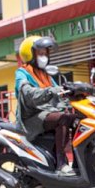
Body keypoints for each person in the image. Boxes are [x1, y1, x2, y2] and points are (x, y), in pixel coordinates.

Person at [15, 35, 79, 175]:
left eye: (45, 53)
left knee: (77, 119)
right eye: (40, 53)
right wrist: (50, 91)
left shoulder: (46, 75)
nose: (44, 57)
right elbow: (28, 93)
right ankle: (61, 164)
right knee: (62, 118)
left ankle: (78, 162)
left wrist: (74, 92)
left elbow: (60, 92)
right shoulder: (22, 73)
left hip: (46, 114)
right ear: (30, 54)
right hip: (31, 118)